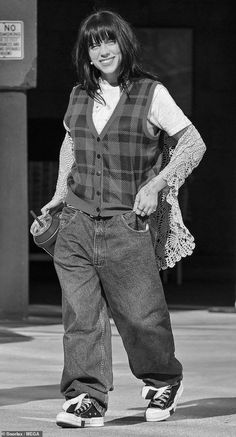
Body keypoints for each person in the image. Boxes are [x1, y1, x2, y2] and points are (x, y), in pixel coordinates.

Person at [30, 9, 206, 428]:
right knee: (80, 316)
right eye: (94, 44)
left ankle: (163, 380)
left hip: (127, 223)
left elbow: (192, 143)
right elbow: (70, 146)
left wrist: (156, 185)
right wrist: (57, 196)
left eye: (109, 41)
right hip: (76, 221)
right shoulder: (79, 95)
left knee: (140, 314)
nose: (102, 50)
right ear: (86, 55)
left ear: (124, 44)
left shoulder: (151, 93)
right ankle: (85, 396)